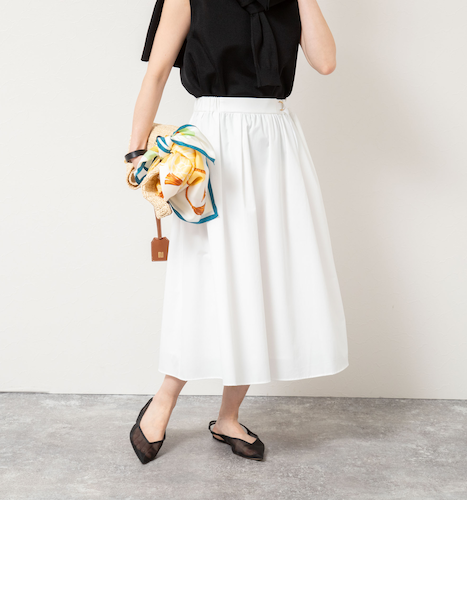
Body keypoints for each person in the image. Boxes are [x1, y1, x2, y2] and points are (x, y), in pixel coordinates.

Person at [128, 0, 349, 464]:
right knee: (204, 278)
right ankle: (164, 399)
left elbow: (326, 62)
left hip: (276, 144)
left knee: (264, 274)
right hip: (214, 143)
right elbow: (157, 72)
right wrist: (136, 155)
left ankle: (228, 416)